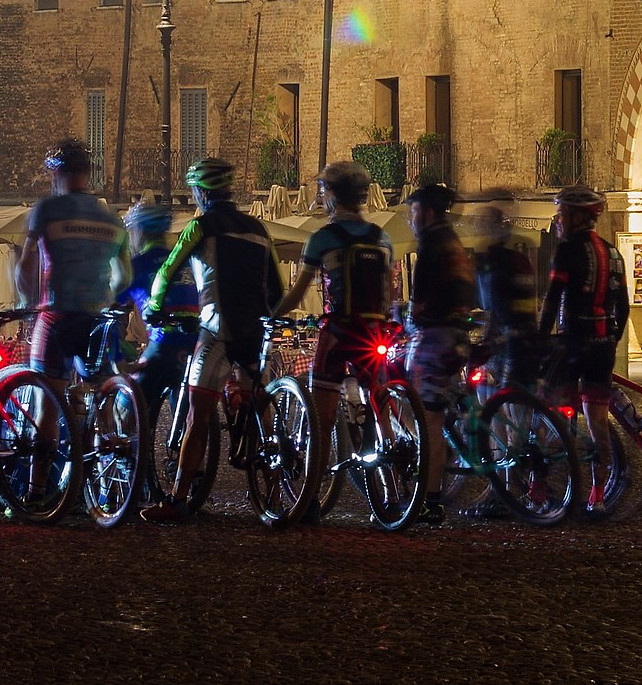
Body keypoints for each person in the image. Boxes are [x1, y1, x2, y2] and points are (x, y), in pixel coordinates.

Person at [139, 157, 284, 525]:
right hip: (255, 330)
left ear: (201, 192)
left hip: (216, 329)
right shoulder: (258, 228)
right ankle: (282, 493)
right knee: (259, 407)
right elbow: (277, 287)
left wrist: (154, 308)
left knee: (197, 416)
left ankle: (177, 497)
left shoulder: (200, 227)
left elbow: (166, 271)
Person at [294, 159, 395, 520]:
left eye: (323, 191)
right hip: (376, 331)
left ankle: (308, 499)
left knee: (319, 421)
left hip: (338, 332)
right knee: (380, 402)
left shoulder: (322, 237)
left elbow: (297, 293)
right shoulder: (382, 237)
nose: (321, 198)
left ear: (333, 196)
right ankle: (395, 483)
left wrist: (273, 313)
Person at [537, 184, 629, 510]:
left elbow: (552, 301)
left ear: (577, 217)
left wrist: (540, 339)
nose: (558, 220)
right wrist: (610, 343)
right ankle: (598, 495)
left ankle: (538, 487)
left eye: (561, 213)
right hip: (603, 347)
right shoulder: (613, 253)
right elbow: (624, 307)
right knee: (598, 421)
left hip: (572, 345)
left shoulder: (567, 250)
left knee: (550, 413)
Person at [17, 140, 129, 383]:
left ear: (56, 173)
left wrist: (27, 305)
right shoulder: (112, 219)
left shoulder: (48, 209)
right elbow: (124, 278)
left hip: (58, 315)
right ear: (88, 173)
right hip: (97, 317)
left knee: (46, 403)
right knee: (101, 395)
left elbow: (25, 267)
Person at [402, 180, 476, 510]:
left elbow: (420, 304)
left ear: (428, 213)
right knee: (439, 413)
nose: (410, 218)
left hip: (435, 338)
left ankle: (429, 499)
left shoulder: (431, 244)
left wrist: (404, 317)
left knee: (425, 418)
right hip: (459, 335)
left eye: (413, 211)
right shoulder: (454, 241)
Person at [123, 200, 199, 416]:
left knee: (126, 403)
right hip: (193, 341)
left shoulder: (139, 263)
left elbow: (112, 301)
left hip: (163, 342)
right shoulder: (179, 260)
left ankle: (128, 447)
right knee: (184, 413)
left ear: (139, 231)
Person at [472, 204, 541, 391]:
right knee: (514, 399)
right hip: (527, 337)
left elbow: (492, 305)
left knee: (494, 396)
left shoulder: (491, 261)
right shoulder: (520, 259)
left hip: (505, 340)